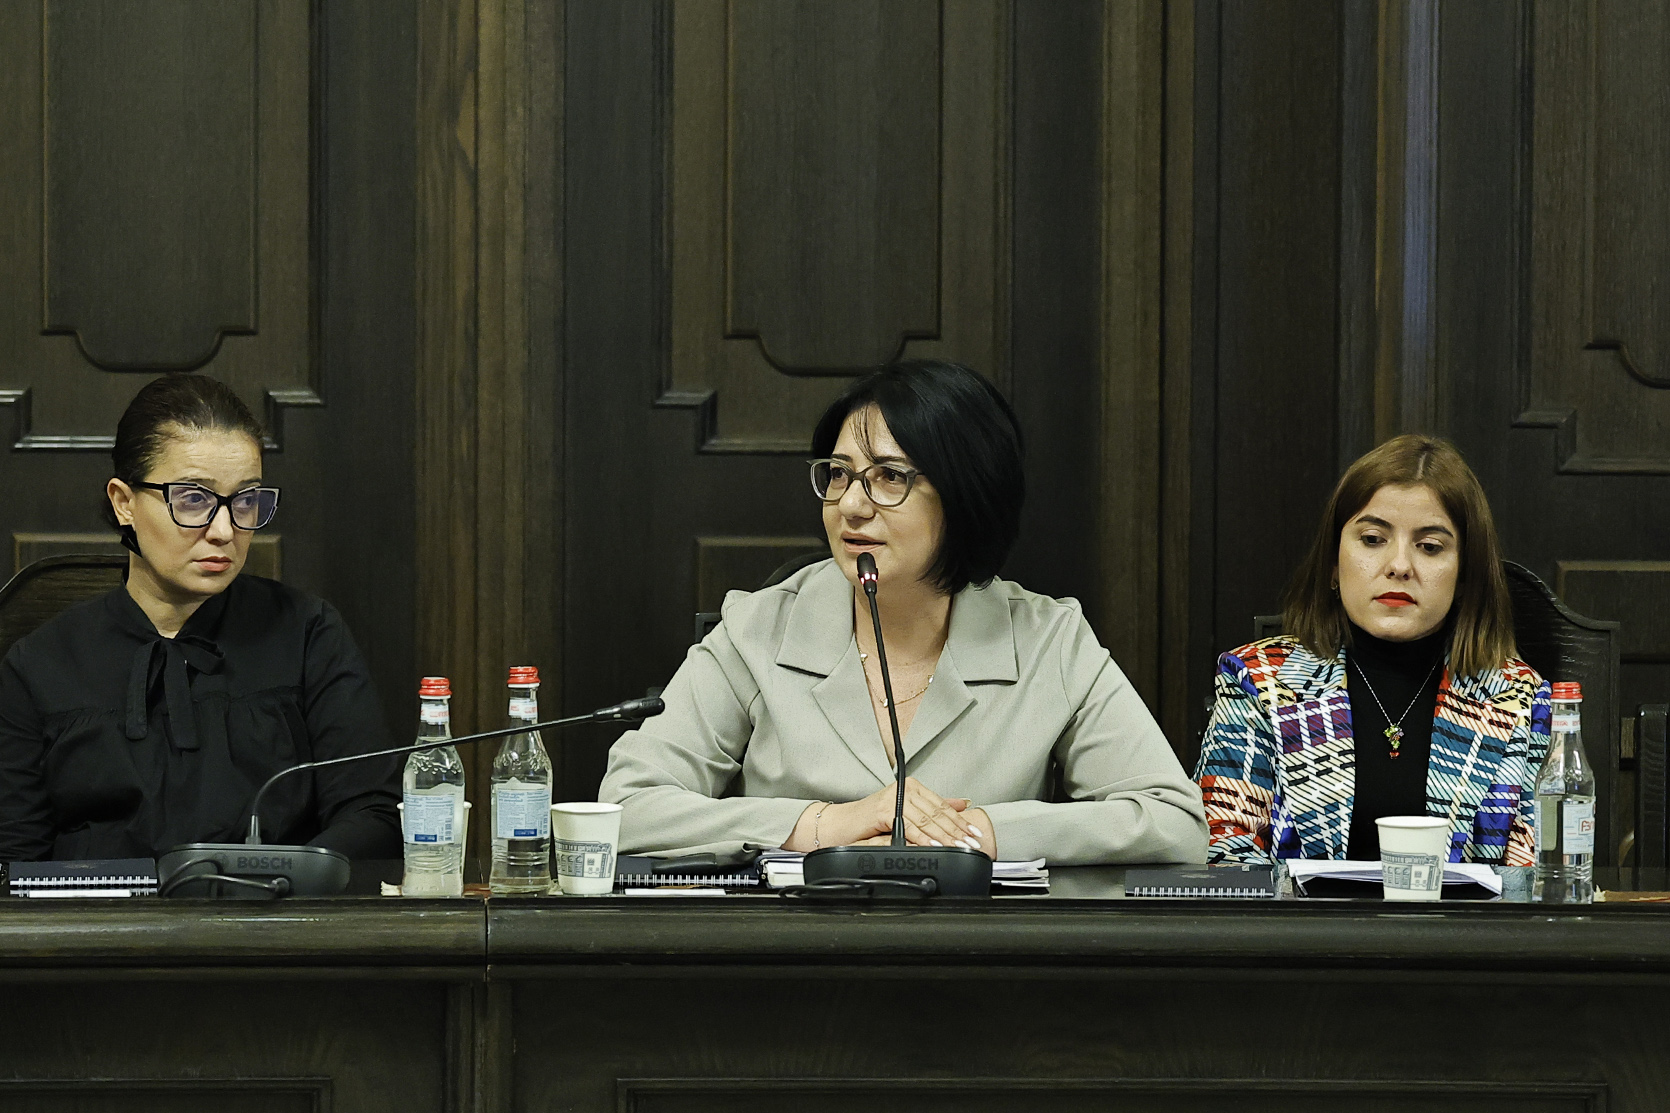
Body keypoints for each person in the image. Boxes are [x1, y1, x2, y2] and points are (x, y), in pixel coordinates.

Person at [600, 360, 1206, 865]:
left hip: (984, 960)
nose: (851, 505)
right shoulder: (758, 630)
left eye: (889, 477)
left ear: (967, 495)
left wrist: (977, 833)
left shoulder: (1049, 641)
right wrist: (823, 825)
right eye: (839, 474)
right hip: (793, 955)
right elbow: (625, 808)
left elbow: (1174, 822)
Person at [0, 374, 401, 861]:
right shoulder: (37, 666)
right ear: (124, 503)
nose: (224, 530)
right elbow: (14, 859)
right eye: (194, 499)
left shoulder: (308, 633)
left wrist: (282, 878)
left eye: (246, 500)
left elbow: (373, 813)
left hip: (275, 907)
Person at [1194, 434, 1551, 865]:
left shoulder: (1518, 696)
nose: (1399, 565)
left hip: (1456, 913)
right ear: (1333, 563)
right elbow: (1224, 851)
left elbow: (1530, 874)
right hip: (1299, 912)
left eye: (1429, 547)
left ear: (1465, 576)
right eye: (1372, 539)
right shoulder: (1257, 679)